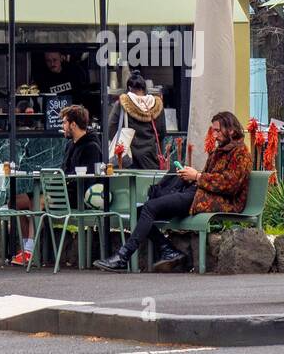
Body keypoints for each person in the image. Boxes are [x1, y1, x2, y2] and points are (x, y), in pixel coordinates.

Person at [95, 111, 251, 273]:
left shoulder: (240, 153)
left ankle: (123, 256)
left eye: (218, 130)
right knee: (140, 211)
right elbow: (210, 177)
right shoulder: (219, 151)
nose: (215, 135)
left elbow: (230, 184)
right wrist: (191, 176)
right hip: (201, 194)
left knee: (150, 207)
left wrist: (197, 176)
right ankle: (169, 251)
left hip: (219, 201)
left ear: (231, 130)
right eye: (214, 131)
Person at [105, 70, 167, 169]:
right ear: (144, 88)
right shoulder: (157, 105)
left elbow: (110, 129)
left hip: (128, 160)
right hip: (150, 159)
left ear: (129, 88)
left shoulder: (122, 104)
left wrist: (123, 141)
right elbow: (162, 133)